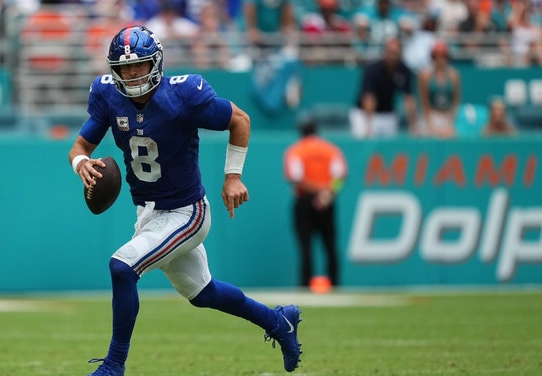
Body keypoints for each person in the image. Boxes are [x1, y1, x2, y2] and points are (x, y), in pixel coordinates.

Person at [68, 25, 302, 376]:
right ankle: (279, 322)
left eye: (139, 66)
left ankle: (114, 366)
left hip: (186, 212)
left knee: (122, 266)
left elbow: (240, 119)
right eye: (124, 68)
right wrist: (81, 164)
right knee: (204, 294)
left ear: (156, 64)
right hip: (148, 212)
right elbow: (80, 147)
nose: (131, 74)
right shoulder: (108, 96)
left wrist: (233, 176)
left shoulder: (182, 95)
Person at [283, 115, 347, 288]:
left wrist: (318, 191)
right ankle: (334, 283)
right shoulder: (331, 150)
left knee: (305, 245)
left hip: (305, 200)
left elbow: (296, 178)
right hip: (327, 200)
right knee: (330, 245)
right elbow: (340, 176)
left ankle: (306, 284)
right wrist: (327, 192)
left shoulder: (296, 150)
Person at [349, 37, 417, 138]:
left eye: (396, 53)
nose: (393, 56)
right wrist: (369, 126)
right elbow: (369, 97)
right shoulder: (372, 69)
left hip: (388, 114)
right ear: (385, 52)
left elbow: (408, 98)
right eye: (391, 52)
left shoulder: (404, 70)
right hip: (364, 114)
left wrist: (413, 125)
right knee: (365, 144)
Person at [417, 40, 461, 138]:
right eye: (437, 57)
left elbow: (455, 100)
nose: (440, 60)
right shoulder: (425, 76)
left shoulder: (454, 76)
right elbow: (425, 101)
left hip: (447, 114)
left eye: (442, 57)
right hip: (432, 114)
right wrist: (430, 123)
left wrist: (451, 122)